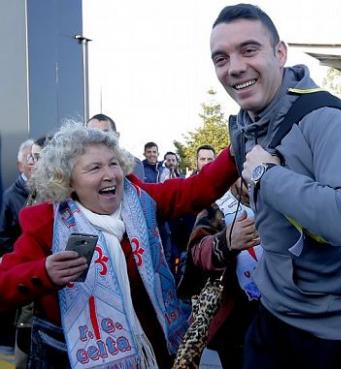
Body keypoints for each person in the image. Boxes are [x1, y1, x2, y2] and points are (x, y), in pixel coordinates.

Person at [211, 4, 341, 369]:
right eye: (221, 58)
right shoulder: (247, 123)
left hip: (340, 332)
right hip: (274, 315)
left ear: (280, 53)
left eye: (249, 50)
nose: (235, 67)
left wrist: (266, 176)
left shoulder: (325, 117)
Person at [0, 124, 237, 368]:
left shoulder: (141, 201)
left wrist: (234, 153)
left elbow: (196, 189)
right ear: (68, 180)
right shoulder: (48, 225)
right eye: (95, 167)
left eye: (113, 163)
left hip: (153, 354)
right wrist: (44, 273)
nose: (110, 174)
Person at [178, 178, 260, 369]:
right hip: (236, 318)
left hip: (280, 314)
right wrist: (225, 242)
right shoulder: (217, 207)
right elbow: (197, 254)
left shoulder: (279, 201)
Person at [0, 139, 33, 355]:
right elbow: (3, 236)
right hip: (23, 269)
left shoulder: (46, 191)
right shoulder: (11, 196)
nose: (35, 164)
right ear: (20, 165)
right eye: (30, 159)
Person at [86, 113, 145, 180]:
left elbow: (136, 189)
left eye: (105, 133)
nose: (99, 138)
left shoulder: (133, 164)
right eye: (92, 133)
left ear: (116, 136)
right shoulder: (76, 164)